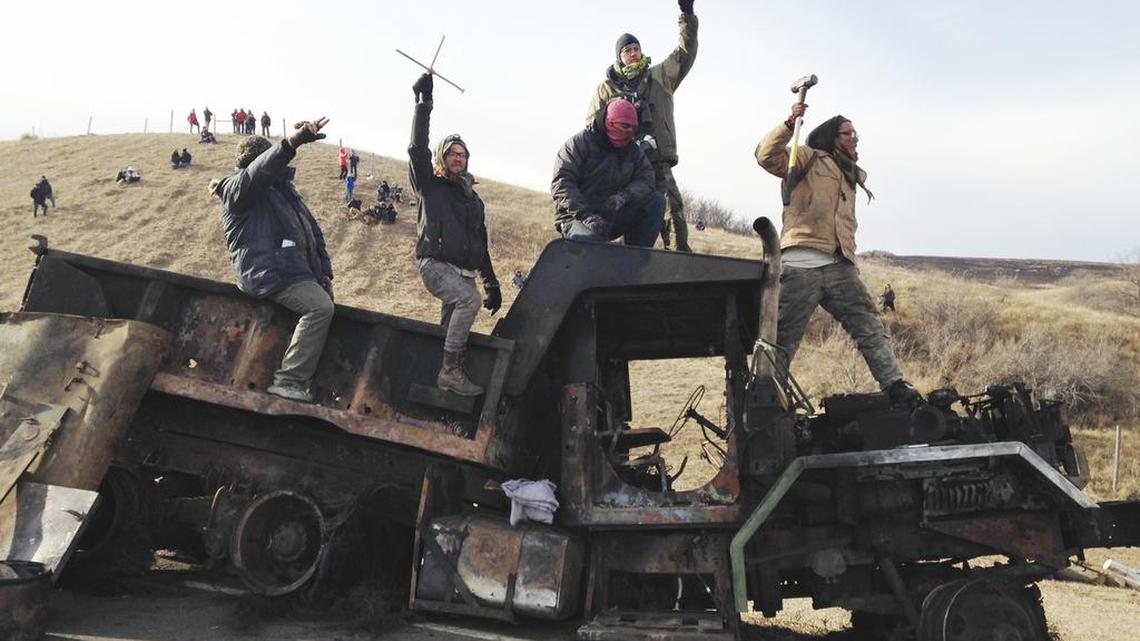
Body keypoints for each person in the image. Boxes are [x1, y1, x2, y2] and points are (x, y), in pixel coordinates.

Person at [755, 101, 919, 404]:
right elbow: (765, 156)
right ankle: (766, 403)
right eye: (847, 133)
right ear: (832, 136)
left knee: (870, 325)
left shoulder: (849, 174)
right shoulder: (807, 158)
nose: (854, 137)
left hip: (839, 264)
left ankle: (895, 385)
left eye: (855, 133)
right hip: (800, 263)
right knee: (782, 340)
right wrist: (790, 123)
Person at [212, 119, 334, 403]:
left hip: (289, 271)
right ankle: (290, 380)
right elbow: (258, 173)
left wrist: (324, 275)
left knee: (322, 302)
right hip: (268, 271)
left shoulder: (285, 193)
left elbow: (313, 234)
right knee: (319, 309)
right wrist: (291, 143)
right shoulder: (236, 189)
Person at [409, 72, 500, 397]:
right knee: (467, 300)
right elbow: (417, 149)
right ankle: (450, 371)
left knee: (452, 320)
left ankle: (439, 386)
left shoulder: (473, 200)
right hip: (435, 264)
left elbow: (480, 242)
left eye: (463, 155)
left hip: (464, 271)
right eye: (453, 155)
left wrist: (491, 282)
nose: (459, 159)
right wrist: (424, 105)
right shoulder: (430, 185)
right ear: (442, 159)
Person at [586, 0, 698, 253]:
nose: (633, 52)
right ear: (619, 57)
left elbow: (686, 52)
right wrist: (619, 114)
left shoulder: (660, 75)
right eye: (627, 50)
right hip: (623, 163)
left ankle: (680, 256)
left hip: (657, 158)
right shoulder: (606, 88)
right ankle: (632, 263)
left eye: (636, 48)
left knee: (672, 207)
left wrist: (687, 16)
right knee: (630, 210)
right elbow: (591, 124)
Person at [552, 98, 663, 247]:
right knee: (597, 249)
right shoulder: (578, 144)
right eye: (624, 126)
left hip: (610, 215)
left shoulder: (633, 151)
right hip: (575, 217)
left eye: (632, 128)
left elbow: (647, 179)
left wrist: (625, 196)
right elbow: (562, 184)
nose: (629, 132)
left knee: (656, 202)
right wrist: (586, 215)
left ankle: (636, 260)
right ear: (609, 122)